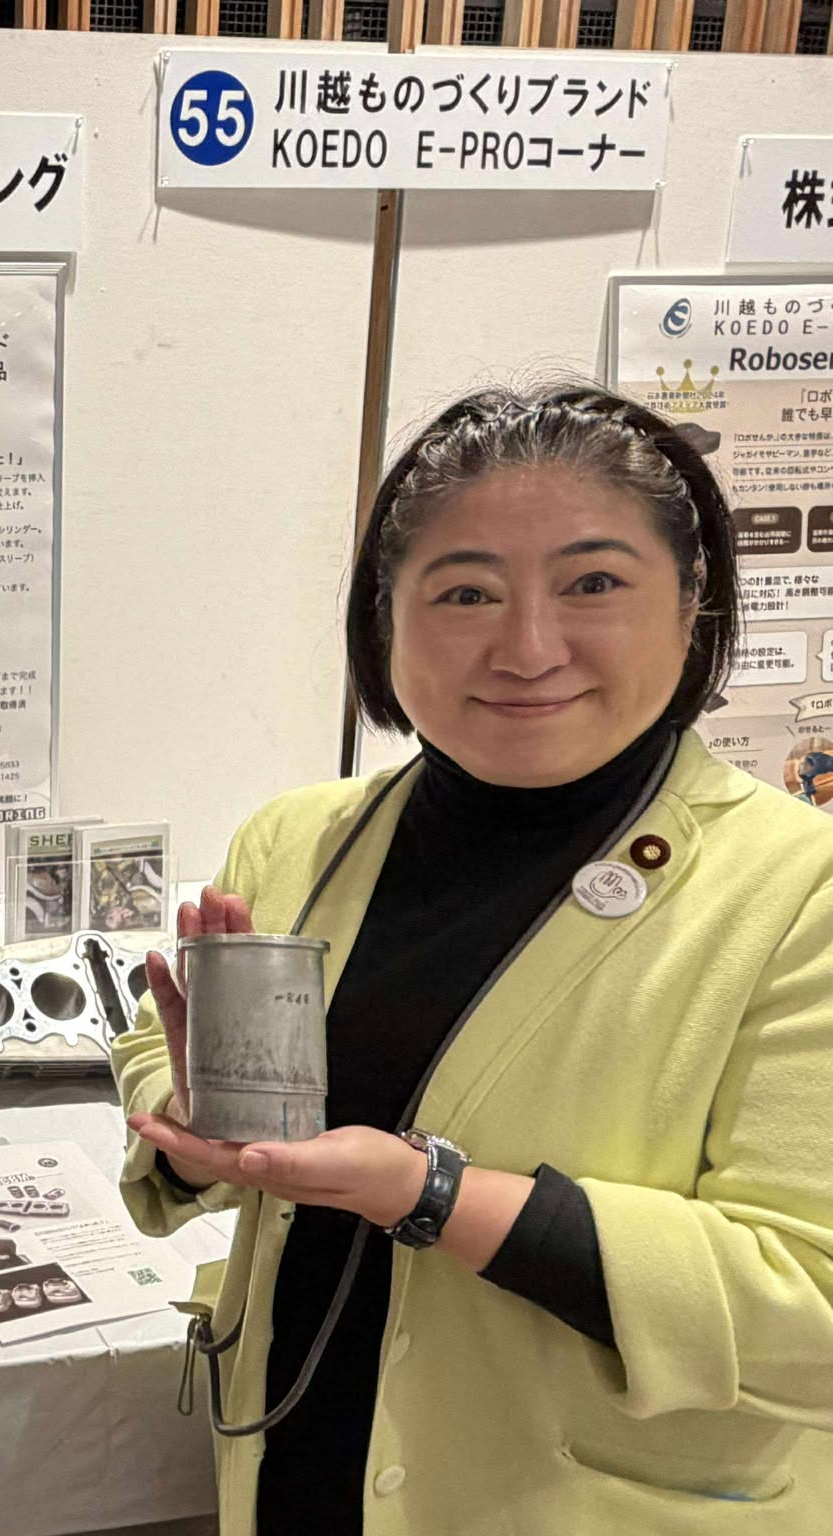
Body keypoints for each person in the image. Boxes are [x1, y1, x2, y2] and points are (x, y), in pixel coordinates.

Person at [114, 384, 833, 1534]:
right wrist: (192, 1105)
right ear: (384, 620)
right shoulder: (299, 838)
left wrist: (430, 1195)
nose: (527, 648)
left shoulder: (800, 892)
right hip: (294, 1461)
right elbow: (177, 1061)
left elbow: (809, 1308)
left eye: (592, 585)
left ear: (690, 603)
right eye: (464, 594)